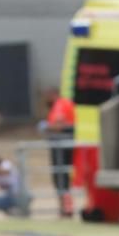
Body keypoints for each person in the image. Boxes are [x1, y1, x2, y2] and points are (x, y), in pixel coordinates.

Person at [41, 88, 75, 217]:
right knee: (62, 177)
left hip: (62, 147)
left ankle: (66, 208)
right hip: (61, 146)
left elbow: (59, 125)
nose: (46, 100)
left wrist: (46, 127)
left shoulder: (60, 104)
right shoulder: (61, 104)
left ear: (53, 94)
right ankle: (65, 207)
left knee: (62, 178)